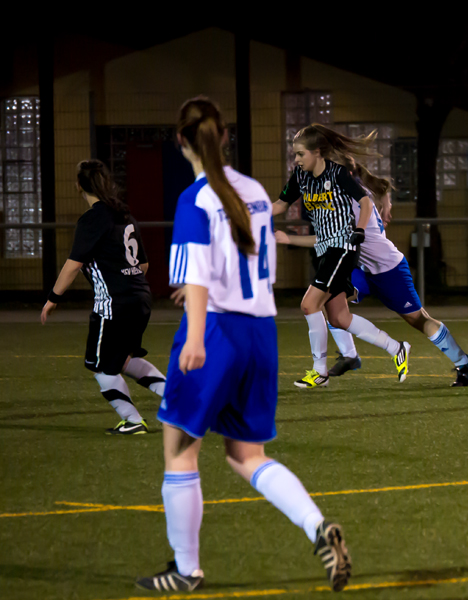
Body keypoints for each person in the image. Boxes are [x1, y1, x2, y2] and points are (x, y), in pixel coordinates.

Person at [135, 97, 350, 593]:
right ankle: (317, 526)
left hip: (214, 331)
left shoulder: (195, 198)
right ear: (226, 137)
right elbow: (259, 259)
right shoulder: (253, 190)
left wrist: (193, 337)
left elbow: (198, 274)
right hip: (261, 332)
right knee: (246, 454)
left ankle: (187, 571)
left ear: (181, 141)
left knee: (179, 453)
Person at [277, 157, 468, 386]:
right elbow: (381, 188)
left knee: (418, 319)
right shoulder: (353, 191)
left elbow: (329, 238)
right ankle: (350, 355)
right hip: (361, 269)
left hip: (388, 269)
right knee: (329, 299)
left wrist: (288, 238)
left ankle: (463, 361)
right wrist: (386, 203)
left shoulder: (349, 201)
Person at [272, 124, 410, 388]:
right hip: (327, 250)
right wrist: (250, 210)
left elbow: (366, 201)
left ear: (317, 152)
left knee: (308, 304)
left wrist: (359, 230)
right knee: (338, 317)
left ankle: (319, 371)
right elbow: (280, 205)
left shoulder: (337, 174)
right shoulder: (300, 177)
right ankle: (397, 348)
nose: (297, 159)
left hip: (343, 249)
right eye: (295, 155)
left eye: (300, 154)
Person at [40, 160, 165, 435]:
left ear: (79, 186)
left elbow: (72, 265)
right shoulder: (125, 215)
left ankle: (132, 421)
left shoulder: (92, 218)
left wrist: (52, 299)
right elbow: (143, 265)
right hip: (141, 297)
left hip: (114, 304)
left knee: (100, 366)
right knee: (123, 360)